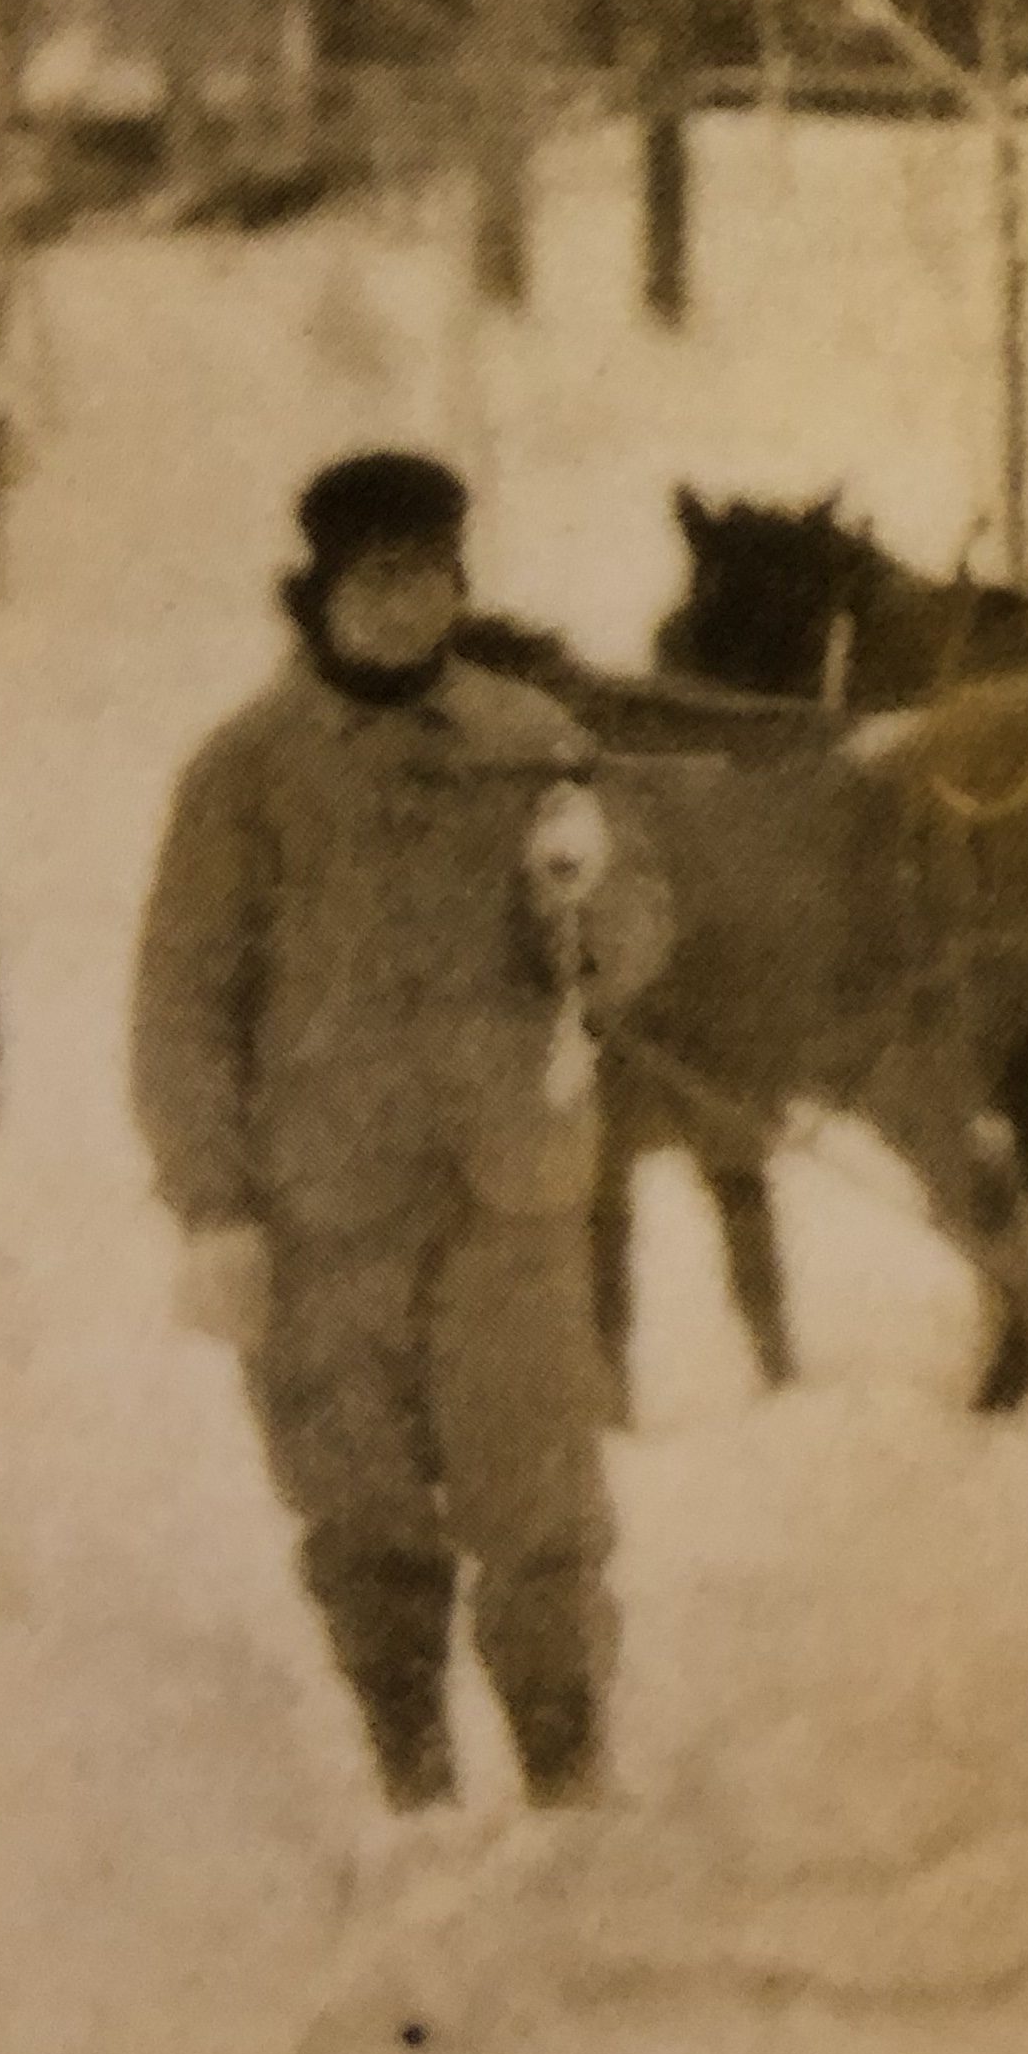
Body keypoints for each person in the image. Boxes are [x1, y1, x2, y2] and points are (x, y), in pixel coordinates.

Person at [133, 452, 673, 1816]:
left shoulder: (534, 742)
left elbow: (636, 932)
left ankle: (568, 1775)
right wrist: (214, 1206)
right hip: (323, 1222)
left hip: (508, 1198)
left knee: (540, 1511)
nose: (403, 607)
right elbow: (182, 1005)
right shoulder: (246, 774)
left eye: (429, 577)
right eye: (374, 581)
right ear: (318, 596)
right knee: (361, 1521)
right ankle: (414, 1783)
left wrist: (593, 912)